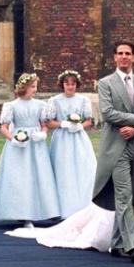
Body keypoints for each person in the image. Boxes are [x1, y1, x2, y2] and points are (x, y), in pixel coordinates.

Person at [92, 41, 134, 263]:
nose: (124, 57)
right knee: (123, 195)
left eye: (128, 53)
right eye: (120, 53)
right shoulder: (105, 83)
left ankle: (117, 244)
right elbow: (108, 113)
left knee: (132, 197)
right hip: (116, 148)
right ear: (114, 58)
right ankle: (132, 246)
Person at [0, 73, 60, 227]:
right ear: (24, 87)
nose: (35, 90)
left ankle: (44, 210)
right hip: (19, 145)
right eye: (32, 87)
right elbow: (3, 128)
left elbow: (44, 124)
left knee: (39, 175)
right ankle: (22, 213)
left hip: (36, 145)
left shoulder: (40, 105)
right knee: (20, 177)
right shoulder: (11, 106)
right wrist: (13, 139)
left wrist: (43, 133)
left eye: (35, 86)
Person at [43, 70, 96, 218]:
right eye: (67, 83)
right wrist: (63, 124)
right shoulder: (54, 100)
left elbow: (88, 121)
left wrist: (80, 126)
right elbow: (49, 122)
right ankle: (61, 208)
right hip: (62, 139)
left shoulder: (83, 100)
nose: (70, 86)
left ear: (77, 85)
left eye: (73, 84)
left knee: (82, 169)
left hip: (78, 139)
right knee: (63, 170)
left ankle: (82, 205)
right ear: (62, 84)